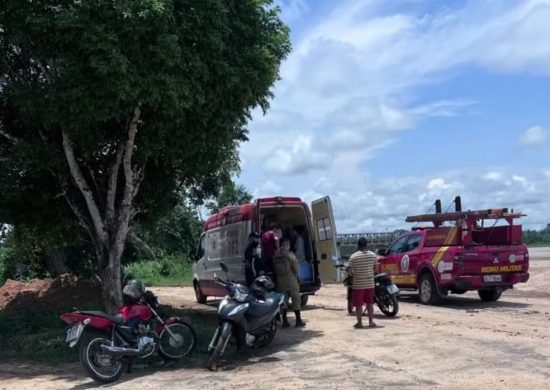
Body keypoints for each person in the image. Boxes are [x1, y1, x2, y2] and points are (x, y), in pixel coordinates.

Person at [273, 237, 305, 328]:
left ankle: (285, 321)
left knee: (284, 301)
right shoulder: (289, 254)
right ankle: (298, 320)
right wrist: (298, 277)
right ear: (287, 244)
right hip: (291, 280)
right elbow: (295, 267)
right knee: (296, 299)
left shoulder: (276, 254)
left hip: (280, 281)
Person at [349, 237, 378, 329]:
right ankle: (371, 322)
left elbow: (350, 272)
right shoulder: (373, 255)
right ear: (366, 245)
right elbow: (376, 269)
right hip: (370, 283)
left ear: (358, 245)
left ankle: (360, 323)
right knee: (370, 304)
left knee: (358, 305)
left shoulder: (353, 257)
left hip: (358, 284)